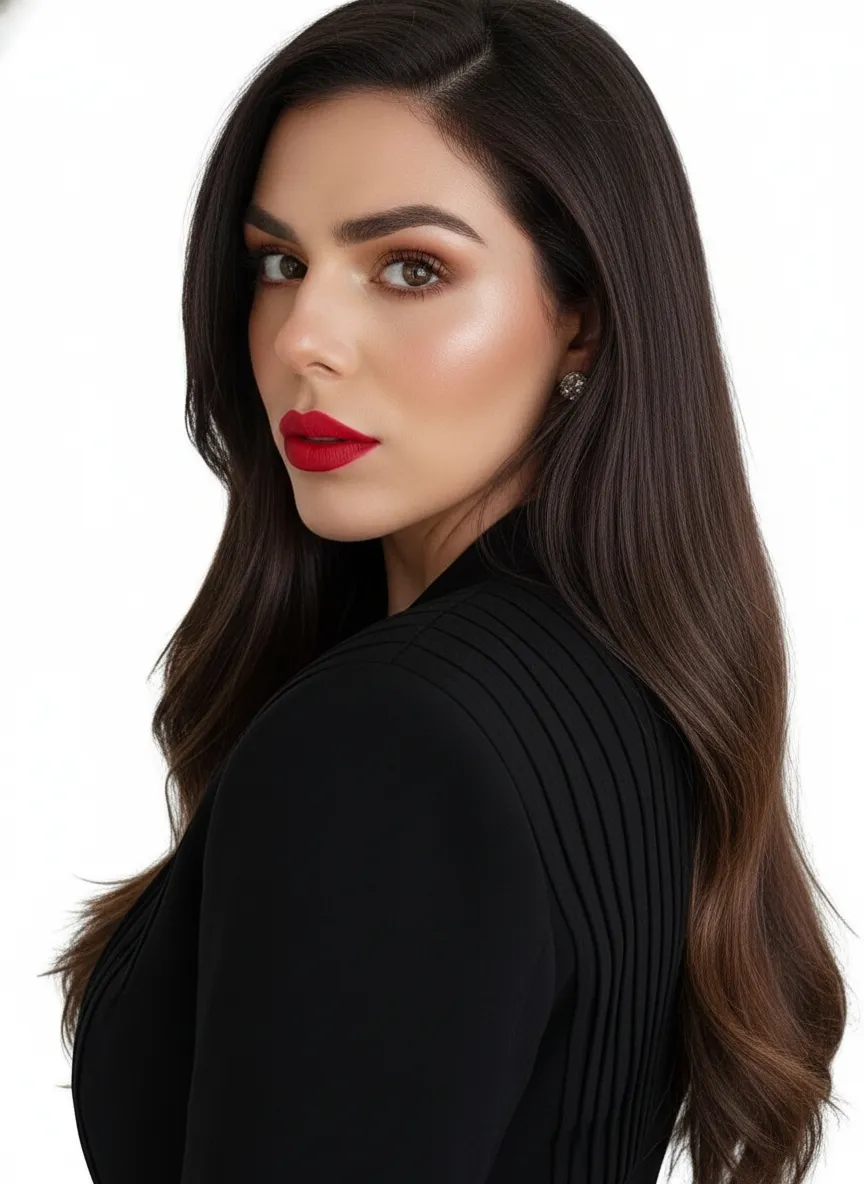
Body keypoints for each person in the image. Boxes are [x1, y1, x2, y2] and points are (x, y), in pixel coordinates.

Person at [46, 3, 849, 1183]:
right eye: (279, 263)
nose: (304, 337)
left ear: (582, 318)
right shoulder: (633, 683)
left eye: (411, 268)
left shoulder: (387, 742)